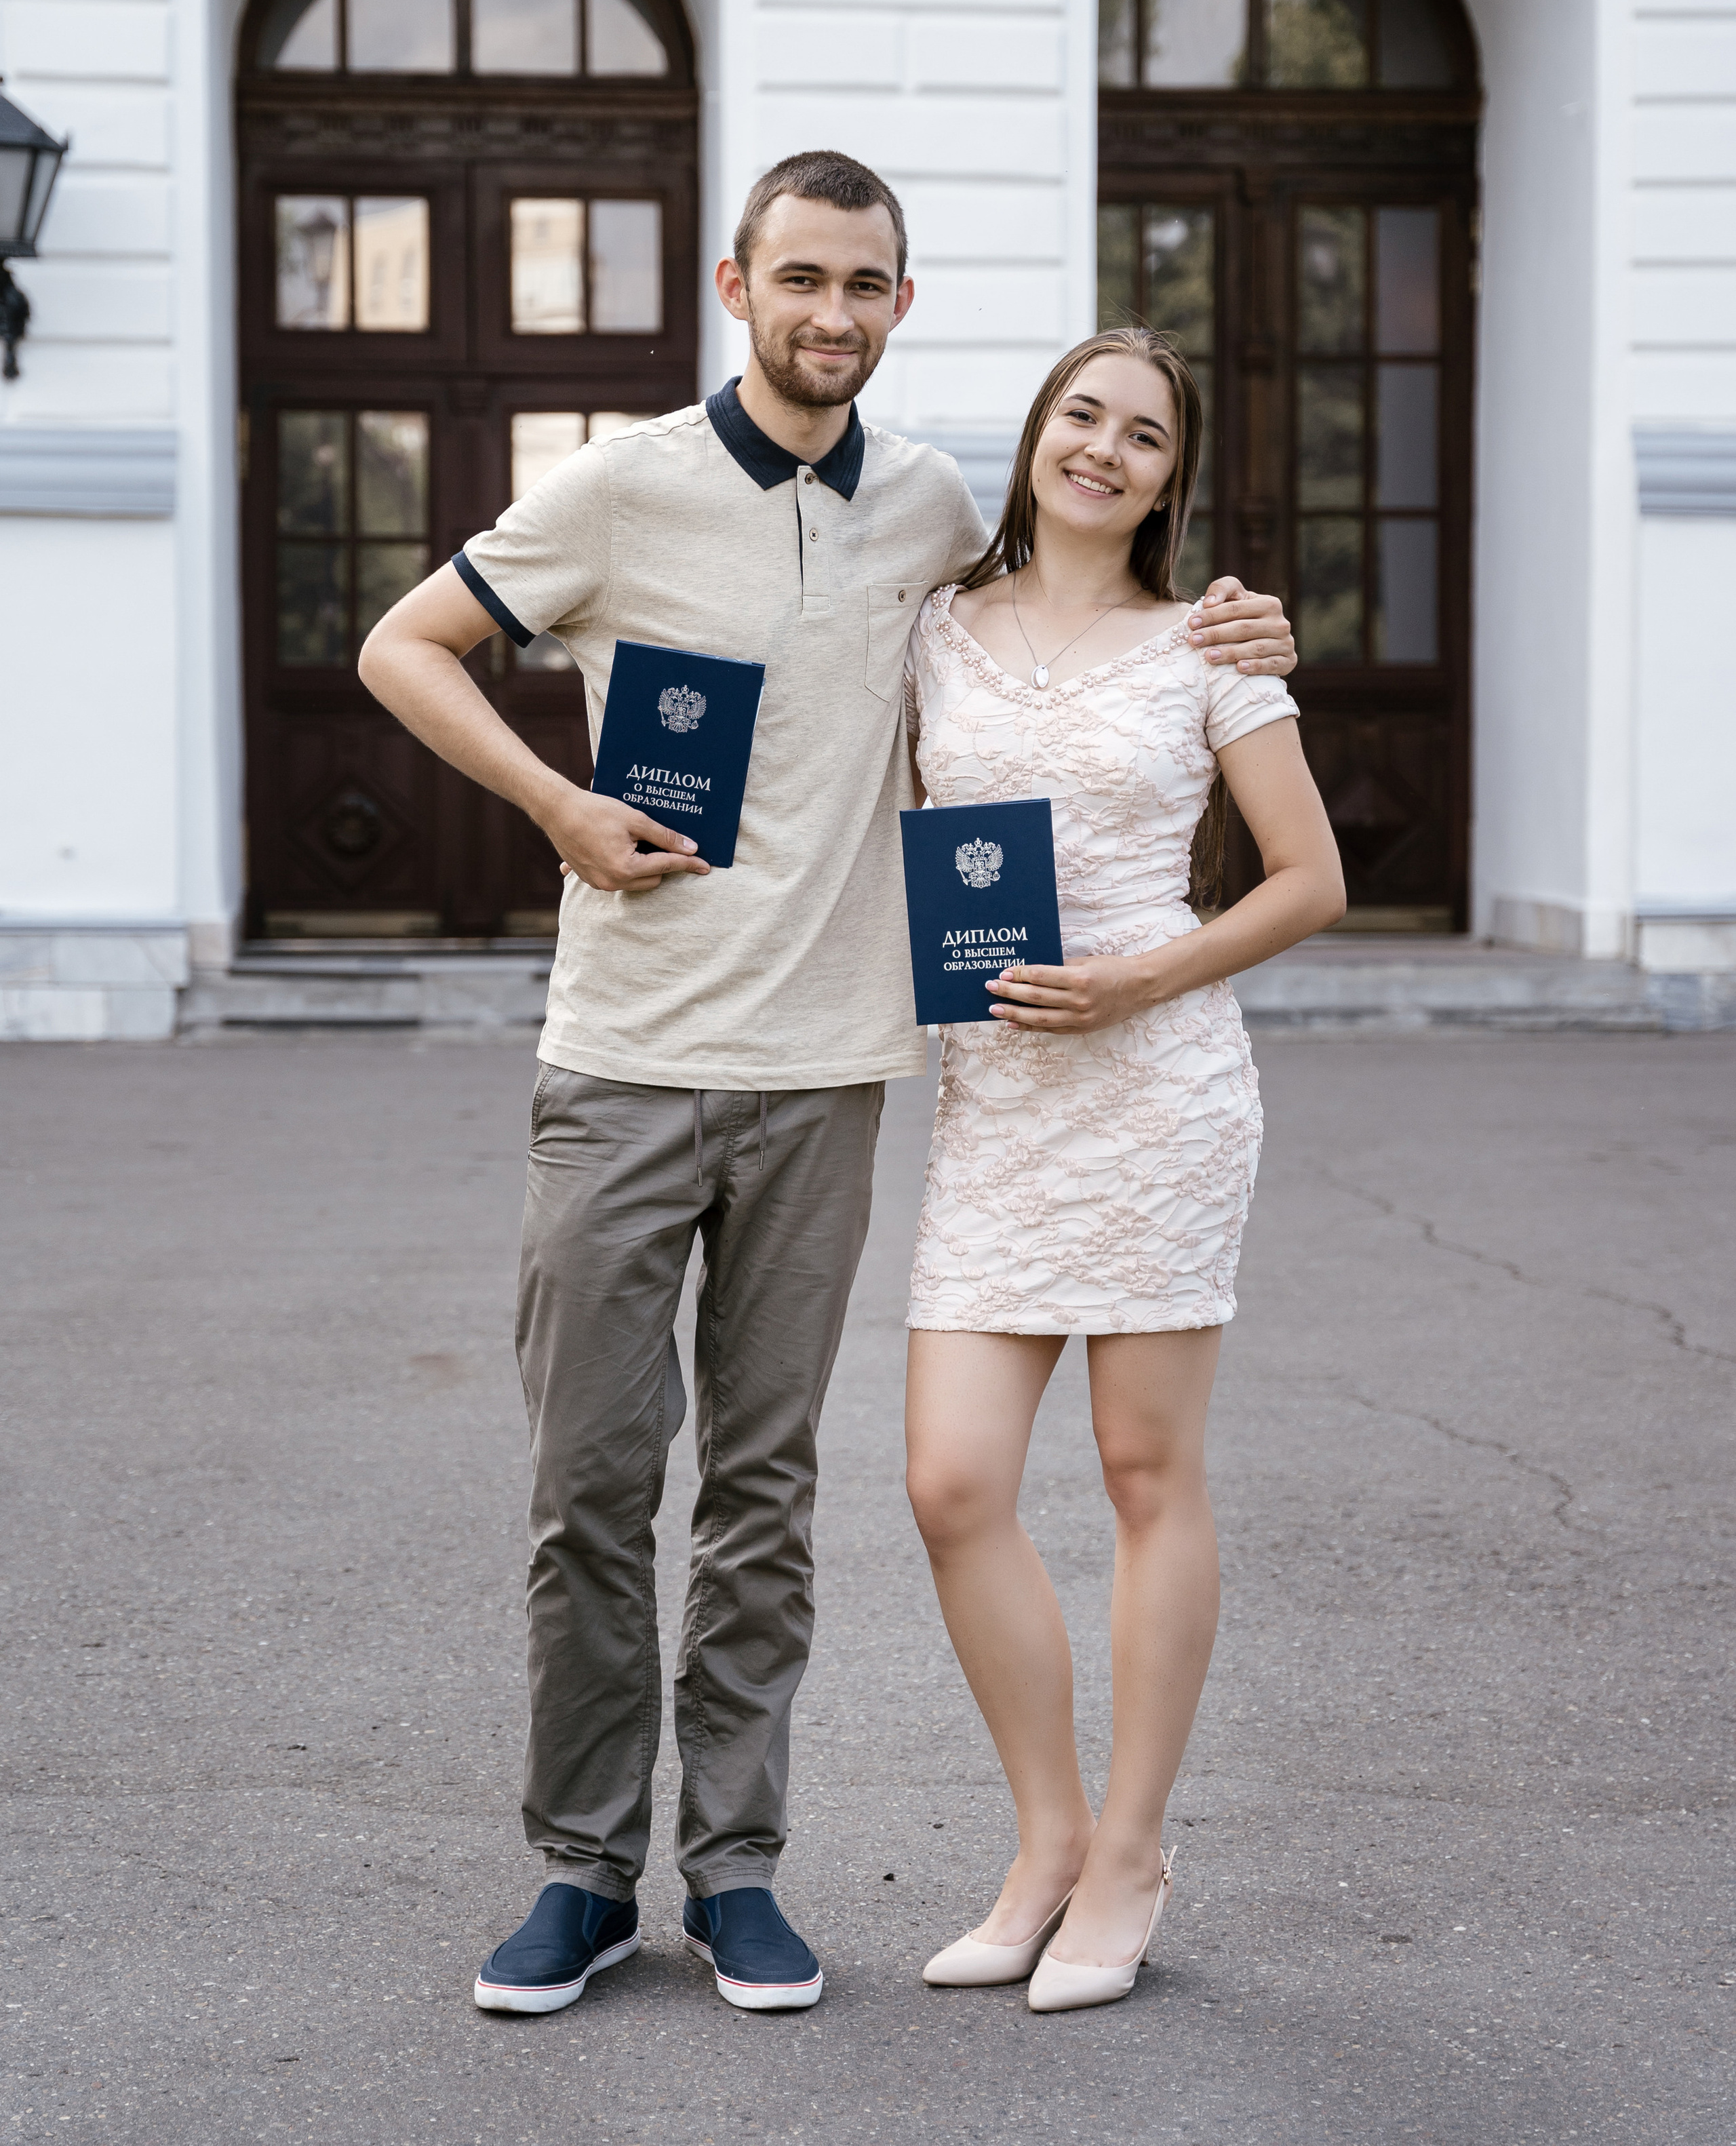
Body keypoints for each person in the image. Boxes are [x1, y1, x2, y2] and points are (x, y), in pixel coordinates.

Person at [357, 151, 1297, 2019]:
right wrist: (557, 804)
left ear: (902, 307)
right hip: (620, 1060)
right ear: (737, 284)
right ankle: (576, 1875)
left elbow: (1078, 639)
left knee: (767, 1494)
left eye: (865, 285)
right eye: (802, 279)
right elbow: (408, 645)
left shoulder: (937, 512)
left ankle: (737, 1872)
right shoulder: (626, 483)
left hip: (835, 1075)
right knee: (593, 1487)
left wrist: (1252, 632)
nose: (831, 314)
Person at [902, 325, 1345, 2014]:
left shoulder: (1210, 648)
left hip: (1156, 1086)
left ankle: (1135, 1850)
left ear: (1169, 478)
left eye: (1141, 434)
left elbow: (1304, 882)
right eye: (1079, 415)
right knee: (951, 1483)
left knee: (1143, 1474)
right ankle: (1045, 1840)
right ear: (1033, 437)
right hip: (997, 1098)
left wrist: (1135, 981)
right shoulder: (936, 626)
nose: (1101, 448)